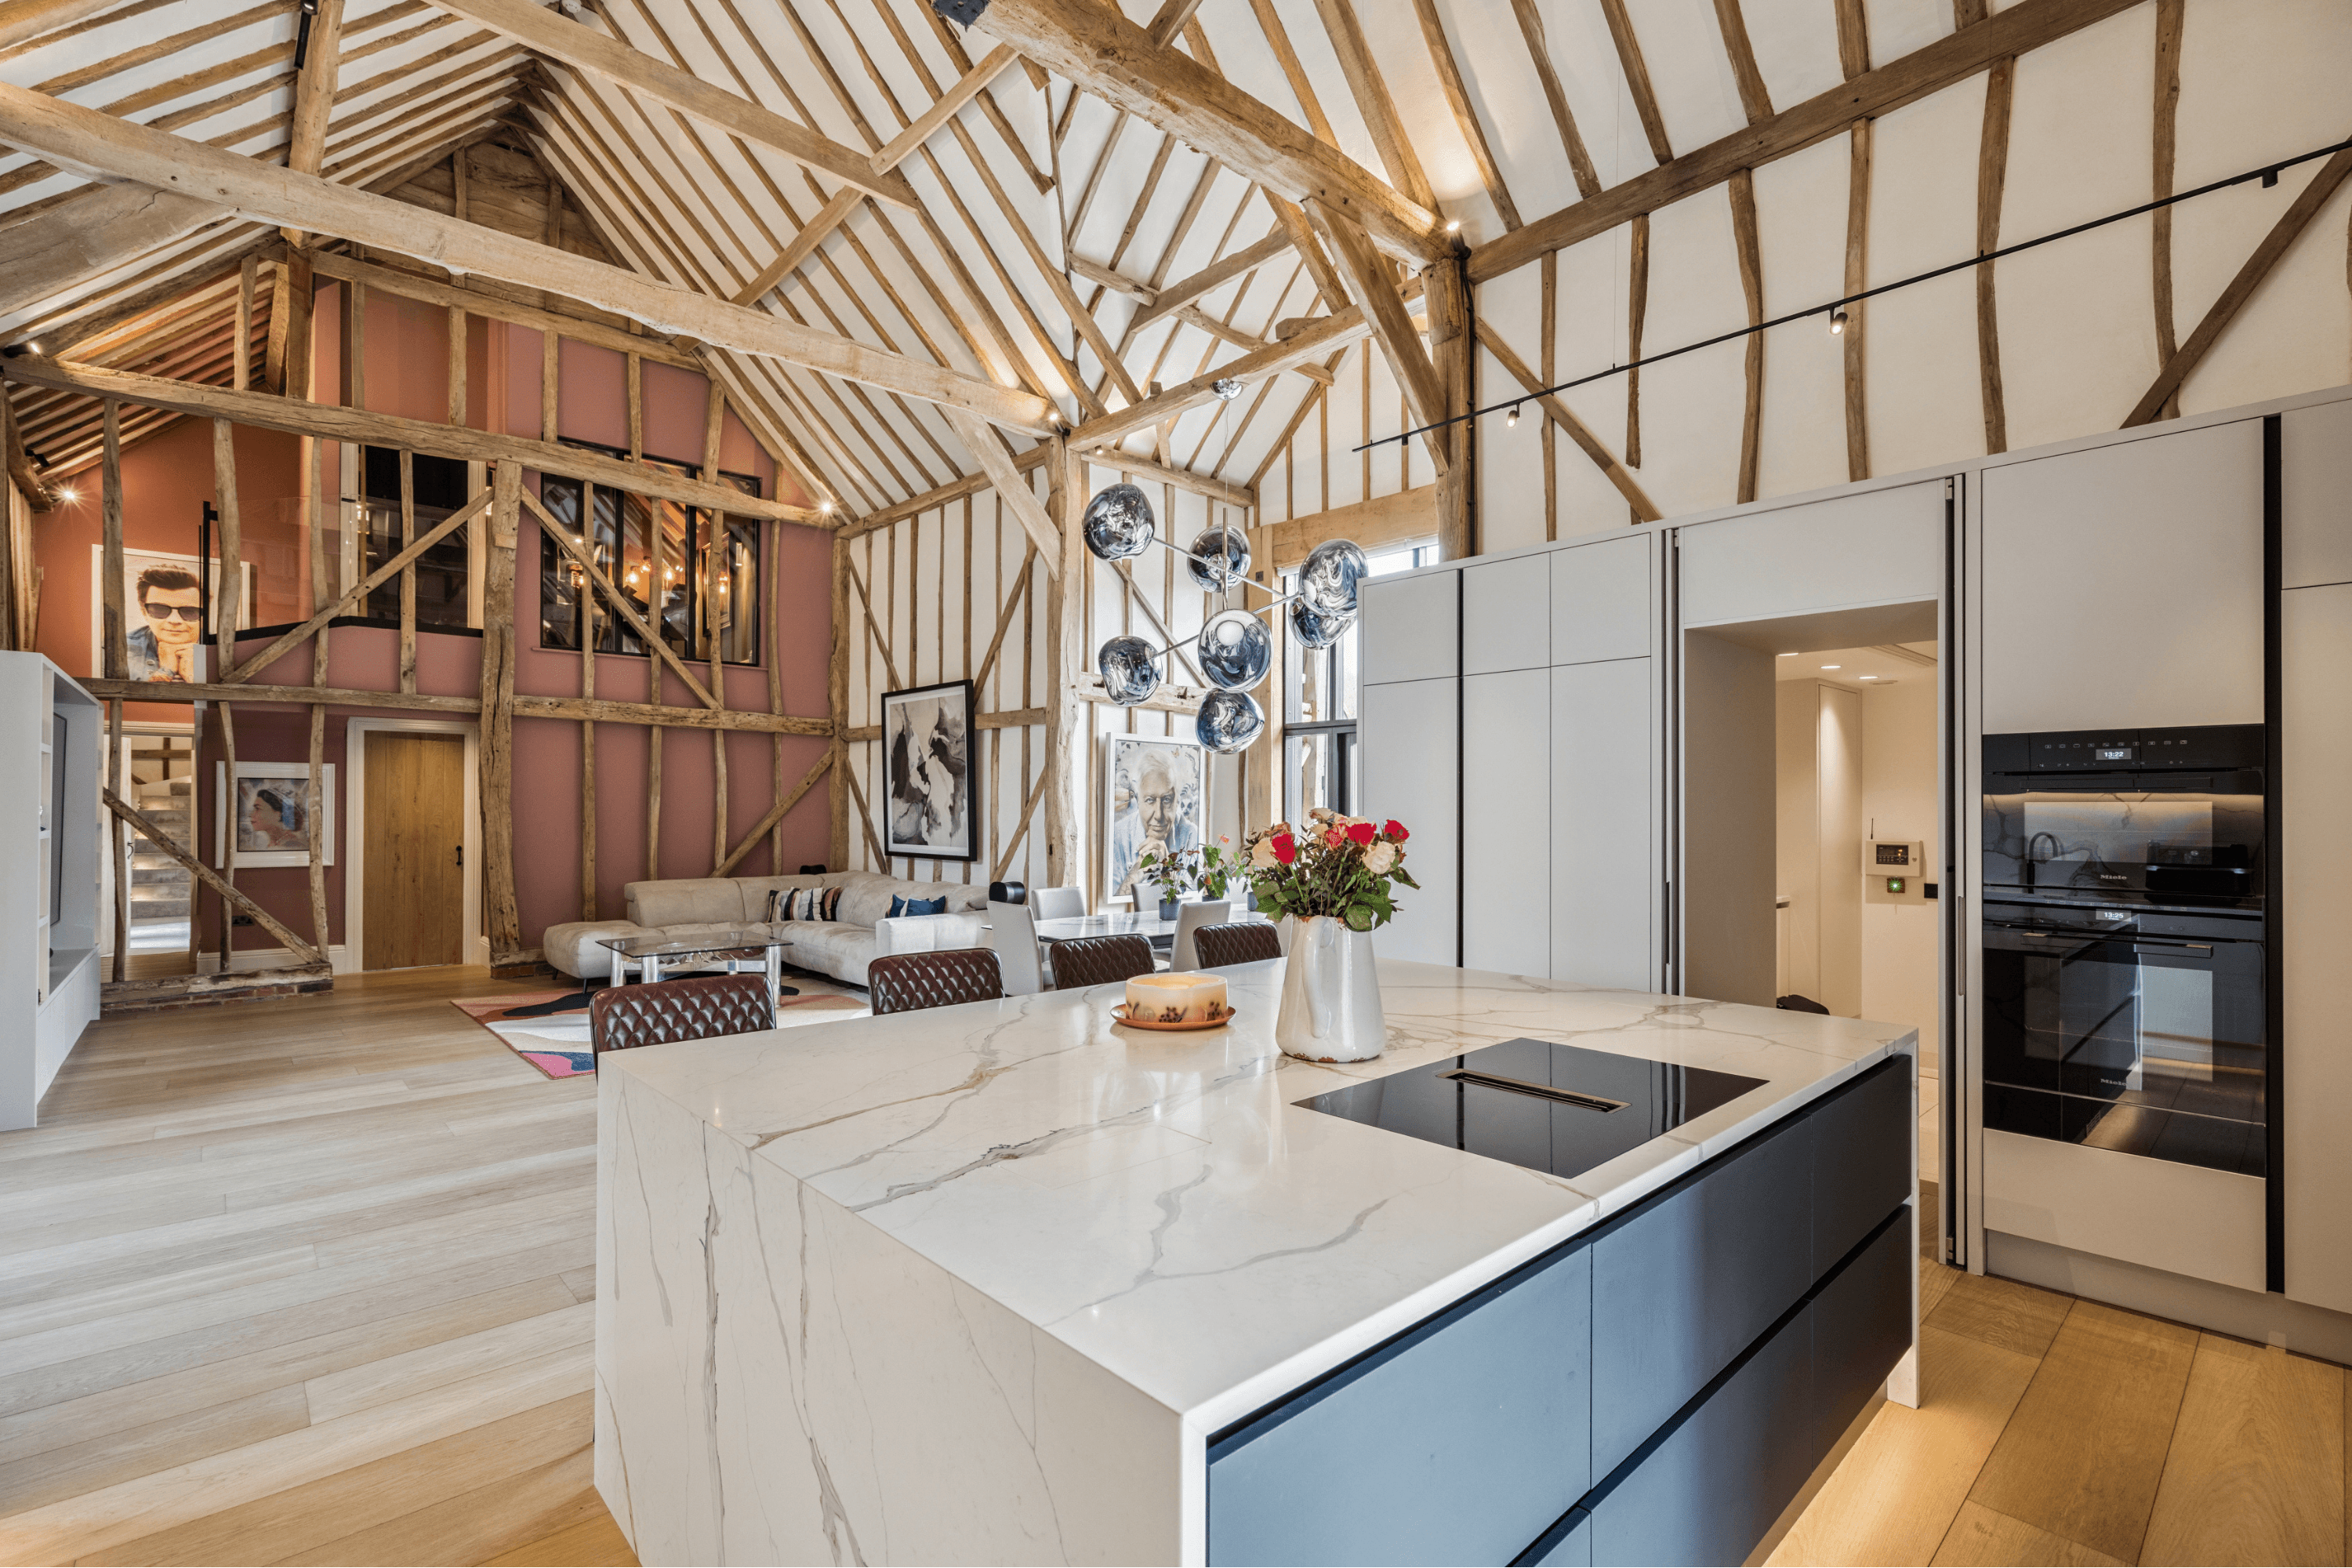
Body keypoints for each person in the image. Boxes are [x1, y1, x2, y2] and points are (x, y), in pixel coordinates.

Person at [1111, 749, 1196, 904]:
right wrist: (1139, 870)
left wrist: (1167, 868)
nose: (1158, 815)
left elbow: (1192, 903)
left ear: (1177, 799)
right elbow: (1111, 910)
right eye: (1150, 800)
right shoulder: (1118, 835)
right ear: (1138, 800)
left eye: (1167, 800)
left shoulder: (1190, 834)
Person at [127, 565, 203, 682]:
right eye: (159, 610)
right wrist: (166, 670)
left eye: (189, 611)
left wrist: (194, 677)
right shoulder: (119, 649)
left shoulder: (223, 650)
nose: (174, 620)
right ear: (144, 612)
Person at [239, 785, 307, 852]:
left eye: (257, 808)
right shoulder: (275, 843)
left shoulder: (291, 846)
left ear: (279, 814)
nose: (251, 815)